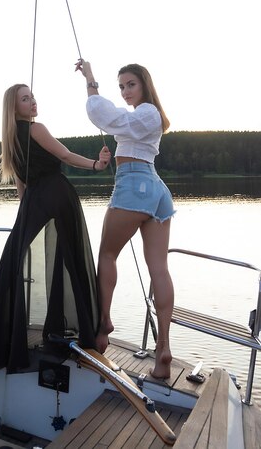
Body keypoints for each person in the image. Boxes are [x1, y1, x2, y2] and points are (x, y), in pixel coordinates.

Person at [0, 83, 111, 372]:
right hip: (56, 195)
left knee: (17, 261)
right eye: (26, 99)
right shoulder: (35, 130)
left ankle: (10, 338)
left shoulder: (9, 140)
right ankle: (83, 330)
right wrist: (96, 166)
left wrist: (24, 212)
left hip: (39, 199)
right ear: (14, 108)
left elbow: (21, 185)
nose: (33, 102)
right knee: (69, 259)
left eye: (32, 97)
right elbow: (64, 156)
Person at [76, 60, 175, 379]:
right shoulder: (144, 118)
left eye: (130, 84)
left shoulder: (147, 113)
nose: (125, 91)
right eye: (121, 86)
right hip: (155, 190)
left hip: (135, 184)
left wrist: (91, 81)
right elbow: (119, 125)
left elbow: (104, 115)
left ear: (145, 85)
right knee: (159, 268)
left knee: (107, 254)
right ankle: (163, 349)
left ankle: (103, 326)